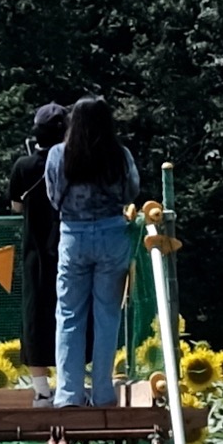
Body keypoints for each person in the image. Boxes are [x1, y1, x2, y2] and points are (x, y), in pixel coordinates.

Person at [45, 94, 141, 405]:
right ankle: (103, 392)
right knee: (107, 315)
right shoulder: (119, 155)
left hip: (74, 234)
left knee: (70, 314)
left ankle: (69, 393)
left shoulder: (59, 154)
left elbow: (52, 194)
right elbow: (131, 191)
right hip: (114, 234)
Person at [9, 98, 67, 391]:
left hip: (35, 249)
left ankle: (41, 389)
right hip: (68, 244)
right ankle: (70, 382)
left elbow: (16, 206)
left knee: (35, 313)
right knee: (70, 311)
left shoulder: (24, 165)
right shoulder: (72, 162)